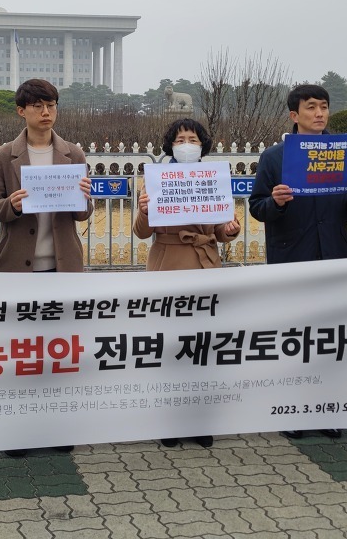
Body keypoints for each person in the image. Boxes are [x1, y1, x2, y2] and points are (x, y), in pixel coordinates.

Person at [249, 84, 347, 440]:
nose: (319, 113)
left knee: (329, 336)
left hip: (332, 253)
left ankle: (326, 408)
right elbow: (257, 207)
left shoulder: (344, 152)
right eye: (311, 107)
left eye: (324, 107)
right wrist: (276, 202)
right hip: (291, 255)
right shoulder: (275, 157)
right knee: (293, 335)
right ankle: (291, 409)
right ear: (294, 115)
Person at [0, 78, 91, 456]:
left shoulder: (73, 153)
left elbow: (82, 214)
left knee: (59, 352)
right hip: (19, 267)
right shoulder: (4, 156)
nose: (46, 113)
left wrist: (85, 199)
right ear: (21, 111)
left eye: (52, 105)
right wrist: (11, 205)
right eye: (38, 106)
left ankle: (57, 427)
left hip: (62, 267)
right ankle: (19, 430)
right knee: (21, 354)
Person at [135, 117, 240, 449]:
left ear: (202, 145)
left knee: (203, 346)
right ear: (170, 145)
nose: (186, 145)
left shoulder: (213, 178)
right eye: (180, 140)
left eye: (192, 140)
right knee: (170, 346)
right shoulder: (155, 179)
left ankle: (200, 419)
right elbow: (141, 232)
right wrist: (144, 210)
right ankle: (169, 420)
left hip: (205, 265)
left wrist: (231, 229)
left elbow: (221, 228)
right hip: (167, 265)